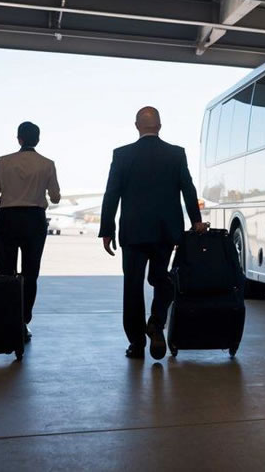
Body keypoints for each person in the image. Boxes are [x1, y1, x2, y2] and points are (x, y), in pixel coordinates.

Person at [99, 107, 206, 360]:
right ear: (159, 126)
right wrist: (196, 221)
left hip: (134, 232)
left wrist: (107, 229)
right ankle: (156, 323)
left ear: (137, 126)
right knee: (163, 279)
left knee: (133, 285)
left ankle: (136, 345)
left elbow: (111, 193)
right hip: (165, 231)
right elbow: (188, 189)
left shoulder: (122, 155)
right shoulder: (175, 154)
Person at [0, 121, 61, 344]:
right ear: (37, 140)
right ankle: (23, 321)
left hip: (7, 219)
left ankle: (6, 320)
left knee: (6, 273)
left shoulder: (3, 162)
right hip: (34, 220)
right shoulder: (47, 164)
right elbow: (55, 197)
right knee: (30, 273)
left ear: (18, 139)